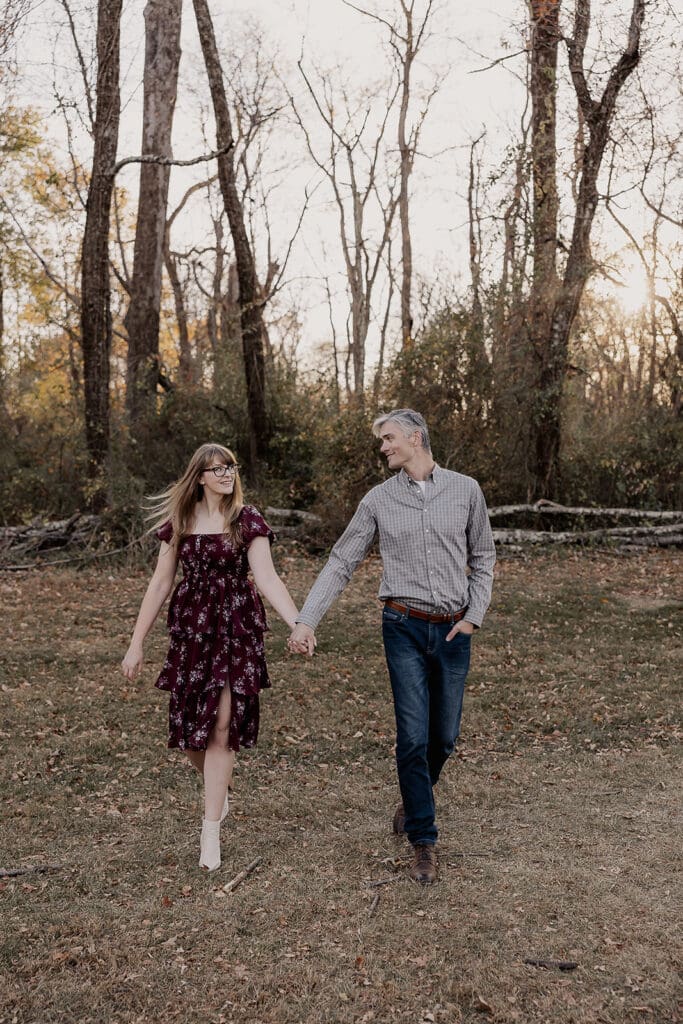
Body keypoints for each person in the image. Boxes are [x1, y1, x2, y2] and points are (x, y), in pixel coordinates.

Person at [288, 409, 495, 884]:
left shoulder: (466, 489)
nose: (383, 447)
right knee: (412, 737)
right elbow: (342, 560)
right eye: (382, 440)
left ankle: (413, 794)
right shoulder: (379, 500)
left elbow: (483, 559)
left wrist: (472, 618)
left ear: (416, 437)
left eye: (388, 438)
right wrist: (306, 620)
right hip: (401, 626)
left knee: (443, 738)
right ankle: (423, 841)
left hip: (452, 631)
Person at [122, 443, 311, 872]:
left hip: (237, 628)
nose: (227, 473)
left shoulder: (247, 519)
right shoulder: (181, 521)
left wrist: (298, 621)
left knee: (223, 724)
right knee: (193, 732)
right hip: (193, 631)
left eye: (230, 467)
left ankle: (210, 831)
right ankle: (217, 788)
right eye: (217, 468)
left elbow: (266, 577)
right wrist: (136, 644)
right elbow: (159, 585)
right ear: (200, 476)